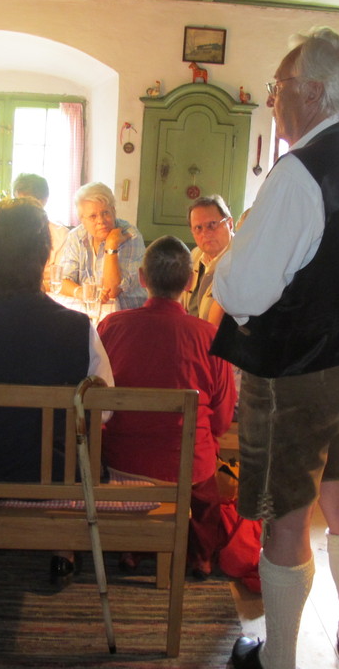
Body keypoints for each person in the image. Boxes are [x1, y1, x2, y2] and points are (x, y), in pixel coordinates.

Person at [212, 27, 339, 669]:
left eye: (279, 87)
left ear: (314, 92)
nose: (274, 100)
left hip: (301, 375)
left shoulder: (301, 170)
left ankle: (277, 660)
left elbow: (240, 289)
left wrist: (237, 250)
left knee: (284, 517)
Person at [0, 197, 113, 582]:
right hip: (52, 473)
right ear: (44, 256)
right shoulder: (76, 327)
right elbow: (106, 407)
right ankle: (61, 542)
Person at [97, 236, 235, 575]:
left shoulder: (110, 327)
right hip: (187, 464)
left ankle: (134, 548)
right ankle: (200, 556)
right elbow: (222, 417)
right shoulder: (208, 336)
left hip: (121, 459)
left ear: (143, 278)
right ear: (190, 282)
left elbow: (94, 398)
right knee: (206, 485)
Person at [58, 182, 147, 310]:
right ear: (82, 220)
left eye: (106, 213)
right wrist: (81, 292)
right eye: (93, 216)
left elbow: (112, 292)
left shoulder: (130, 236)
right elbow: (63, 280)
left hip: (126, 315)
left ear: (114, 211)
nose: (101, 221)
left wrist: (111, 246)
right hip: (89, 310)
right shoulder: (76, 236)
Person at [181, 195, 235, 326]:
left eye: (212, 225)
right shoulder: (194, 255)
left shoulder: (241, 261)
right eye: (198, 228)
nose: (205, 233)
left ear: (230, 224)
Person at [12, 172, 69, 278]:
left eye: (28, 201)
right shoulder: (6, 230)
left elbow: (59, 277)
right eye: (18, 200)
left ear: (44, 200)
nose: (22, 206)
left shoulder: (61, 234)